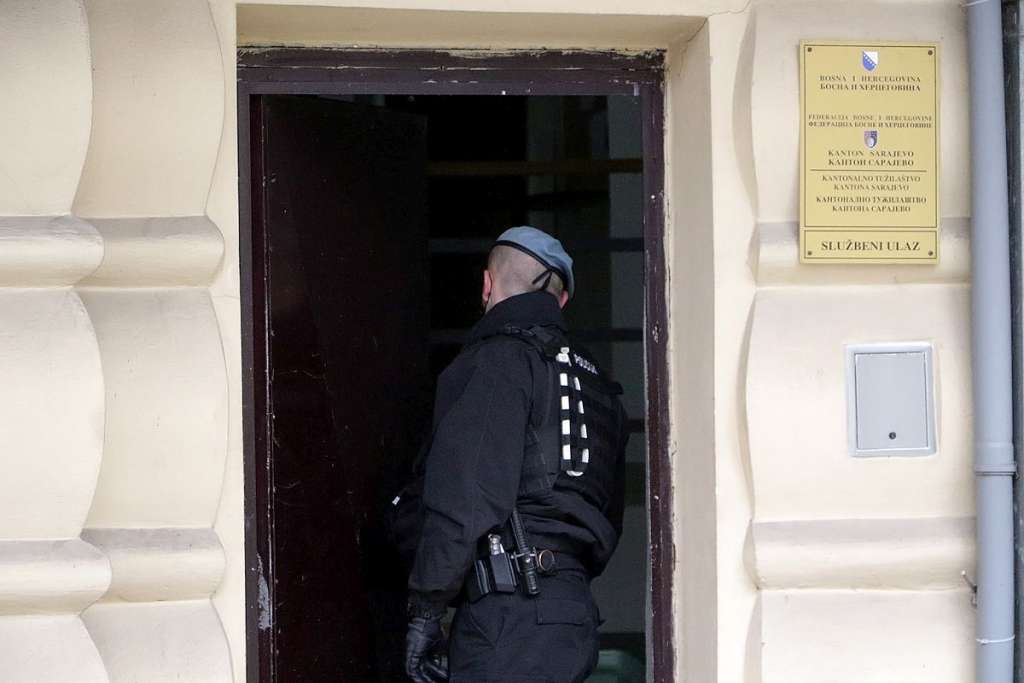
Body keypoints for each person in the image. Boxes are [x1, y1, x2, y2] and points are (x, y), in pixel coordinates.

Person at [404, 226, 629, 683]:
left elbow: (465, 499)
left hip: (509, 619)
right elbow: (609, 514)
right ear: (560, 301)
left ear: (486, 284)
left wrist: (426, 611)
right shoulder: (600, 389)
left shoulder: (498, 360)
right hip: (572, 616)